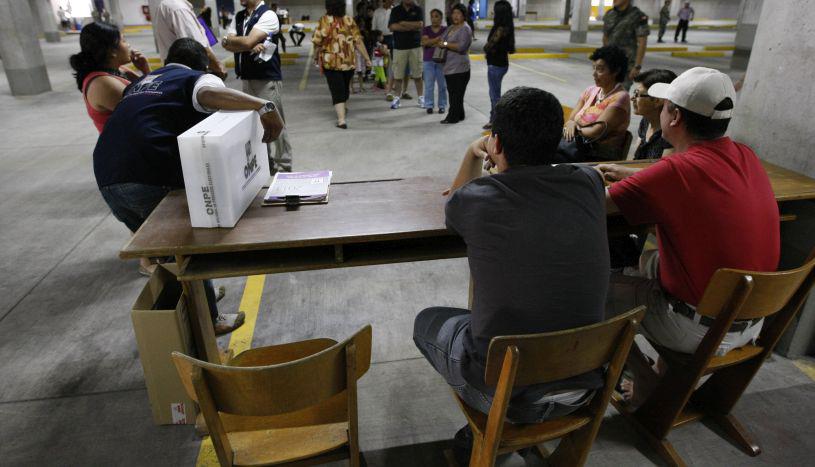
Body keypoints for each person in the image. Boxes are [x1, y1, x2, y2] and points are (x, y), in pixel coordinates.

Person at [414, 86, 609, 463]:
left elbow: (454, 201)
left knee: (428, 321)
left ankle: (490, 423)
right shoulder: (588, 184)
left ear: (496, 142)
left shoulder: (478, 199)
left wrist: (474, 152)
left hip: (511, 395)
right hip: (583, 384)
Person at [598, 67, 780, 407]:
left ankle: (648, 383)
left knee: (593, 294)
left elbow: (596, 206)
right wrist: (646, 177)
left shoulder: (674, 172)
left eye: (665, 104)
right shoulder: (746, 156)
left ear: (675, 116)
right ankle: (661, 374)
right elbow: (688, 180)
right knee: (650, 261)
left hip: (699, 331)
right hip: (753, 319)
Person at [93, 38, 285, 334]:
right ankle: (209, 319)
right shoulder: (195, 76)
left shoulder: (144, 81)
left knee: (170, 254)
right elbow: (208, 93)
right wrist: (263, 105)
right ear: (201, 63)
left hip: (107, 178)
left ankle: (192, 306)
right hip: (149, 173)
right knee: (188, 249)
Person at [70, 22, 153, 276]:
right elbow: (148, 106)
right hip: (126, 157)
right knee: (150, 218)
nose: (128, 44)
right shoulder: (103, 83)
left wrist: (145, 70)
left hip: (131, 152)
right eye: (124, 40)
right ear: (111, 49)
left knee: (143, 219)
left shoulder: (118, 71)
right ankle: (150, 262)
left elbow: (149, 92)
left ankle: (147, 256)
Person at [222, 0, 293, 174]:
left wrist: (238, 42)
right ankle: (266, 162)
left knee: (275, 122)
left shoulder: (268, 15)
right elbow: (226, 44)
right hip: (246, 78)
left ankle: (284, 164)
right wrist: (239, 42)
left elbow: (243, 43)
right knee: (256, 123)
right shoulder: (239, 16)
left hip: (266, 79)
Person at [557, 45, 631, 162]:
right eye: (594, 68)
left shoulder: (621, 97)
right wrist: (571, 124)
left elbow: (596, 131)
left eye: (600, 69)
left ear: (616, 71)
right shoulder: (590, 90)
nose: (594, 74)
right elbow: (571, 120)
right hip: (577, 147)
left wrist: (575, 128)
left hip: (598, 155)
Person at [312, 0, 372, 128]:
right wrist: (367, 58)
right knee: (341, 89)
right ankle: (342, 115)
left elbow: (317, 41)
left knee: (340, 90)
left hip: (333, 62)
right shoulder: (349, 20)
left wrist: (315, 56)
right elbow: (358, 42)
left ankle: (342, 114)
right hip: (346, 62)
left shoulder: (324, 20)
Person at [153, 0, 228, 79]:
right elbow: (197, 48)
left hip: (176, 73)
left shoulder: (168, 5)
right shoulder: (179, 9)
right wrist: (219, 68)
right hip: (188, 75)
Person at [425, 3, 471, 124]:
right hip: (449, 66)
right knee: (455, 93)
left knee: (456, 94)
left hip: (460, 68)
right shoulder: (450, 28)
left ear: (463, 16)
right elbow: (441, 39)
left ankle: (452, 117)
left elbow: (461, 47)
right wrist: (433, 42)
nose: (455, 16)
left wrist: (445, 44)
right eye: (454, 13)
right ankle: (460, 114)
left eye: (458, 14)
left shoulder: (465, 28)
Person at [482, 0, 514, 130]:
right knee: (494, 93)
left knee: (494, 95)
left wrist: (486, 48)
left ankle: (495, 122)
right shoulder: (507, 27)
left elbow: (489, 45)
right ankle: (494, 119)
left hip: (495, 65)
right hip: (501, 64)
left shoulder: (500, 29)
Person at [602, 0, 649, 89]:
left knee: (620, 95)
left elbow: (642, 42)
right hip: (610, 64)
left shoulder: (638, 16)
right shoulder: (609, 14)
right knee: (606, 94)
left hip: (626, 66)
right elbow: (605, 38)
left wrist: (637, 66)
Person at [387, 0, 424, 110]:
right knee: (398, 75)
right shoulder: (396, 10)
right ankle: (397, 98)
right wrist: (411, 26)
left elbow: (420, 25)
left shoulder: (418, 9)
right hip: (399, 47)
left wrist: (403, 23)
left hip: (415, 46)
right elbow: (392, 27)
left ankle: (421, 98)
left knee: (418, 74)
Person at [631, 68, 676, 160]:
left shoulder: (673, 132)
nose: (632, 98)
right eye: (634, 92)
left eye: (637, 94)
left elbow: (664, 172)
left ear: (657, 101)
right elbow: (635, 160)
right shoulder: (646, 122)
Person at [420, 9, 447, 115]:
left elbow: (445, 43)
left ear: (441, 18)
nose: (434, 19)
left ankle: (442, 105)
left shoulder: (446, 29)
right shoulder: (426, 29)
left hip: (441, 60)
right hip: (428, 60)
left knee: (442, 85)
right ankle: (429, 105)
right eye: (432, 16)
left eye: (436, 16)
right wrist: (437, 40)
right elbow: (425, 42)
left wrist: (431, 42)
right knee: (429, 85)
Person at [372, 0, 395, 98]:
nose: (391, 2)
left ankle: (391, 83)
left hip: (392, 37)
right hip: (380, 38)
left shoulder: (394, 10)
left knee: (391, 61)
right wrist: (376, 40)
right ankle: (382, 83)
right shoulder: (377, 12)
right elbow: (374, 27)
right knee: (381, 62)